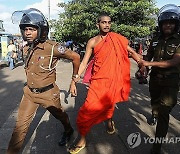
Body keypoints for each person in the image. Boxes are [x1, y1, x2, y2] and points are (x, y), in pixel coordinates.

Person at [7, 8, 80, 154]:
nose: (27, 32)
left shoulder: (53, 47)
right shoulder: (26, 48)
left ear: (41, 30)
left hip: (48, 94)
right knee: (19, 128)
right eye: (25, 29)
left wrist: (73, 80)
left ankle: (68, 130)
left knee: (60, 116)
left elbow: (76, 57)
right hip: (29, 94)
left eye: (32, 29)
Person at [68, 13, 143, 153]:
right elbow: (84, 62)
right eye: (103, 22)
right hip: (98, 82)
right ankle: (82, 139)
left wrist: (140, 61)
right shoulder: (93, 41)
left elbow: (131, 51)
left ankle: (109, 123)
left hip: (113, 79)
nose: (107, 25)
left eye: (109, 22)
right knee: (85, 112)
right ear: (98, 24)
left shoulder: (117, 38)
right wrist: (74, 79)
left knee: (109, 103)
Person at [141, 4, 180, 154]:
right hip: (155, 79)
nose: (168, 25)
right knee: (155, 102)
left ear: (176, 24)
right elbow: (147, 56)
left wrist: (148, 63)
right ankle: (154, 113)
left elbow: (174, 62)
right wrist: (143, 68)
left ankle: (156, 147)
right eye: (165, 23)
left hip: (171, 82)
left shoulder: (178, 40)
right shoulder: (155, 39)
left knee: (164, 112)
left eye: (171, 23)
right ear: (161, 24)